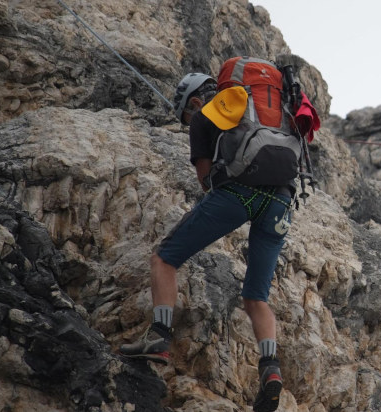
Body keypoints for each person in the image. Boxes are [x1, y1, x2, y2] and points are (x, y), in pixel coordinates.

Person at [119, 71, 293, 412]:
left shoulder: (204, 114)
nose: (189, 123)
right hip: (283, 201)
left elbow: (206, 180)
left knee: (164, 258)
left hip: (238, 194)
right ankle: (270, 369)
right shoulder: (270, 115)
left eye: (186, 116)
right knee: (256, 297)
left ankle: (159, 336)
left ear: (195, 101)